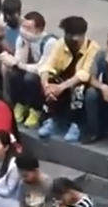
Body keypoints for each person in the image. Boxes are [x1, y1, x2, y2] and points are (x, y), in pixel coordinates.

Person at [39, 14, 99, 144]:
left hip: (81, 83)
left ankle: (76, 125)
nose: (70, 39)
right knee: (49, 81)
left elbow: (84, 74)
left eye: (74, 36)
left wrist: (61, 87)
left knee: (79, 88)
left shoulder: (92, 47)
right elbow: (49, 64)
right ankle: (54, 120)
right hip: (63, 79)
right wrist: (46, 85)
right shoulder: (61, 43)